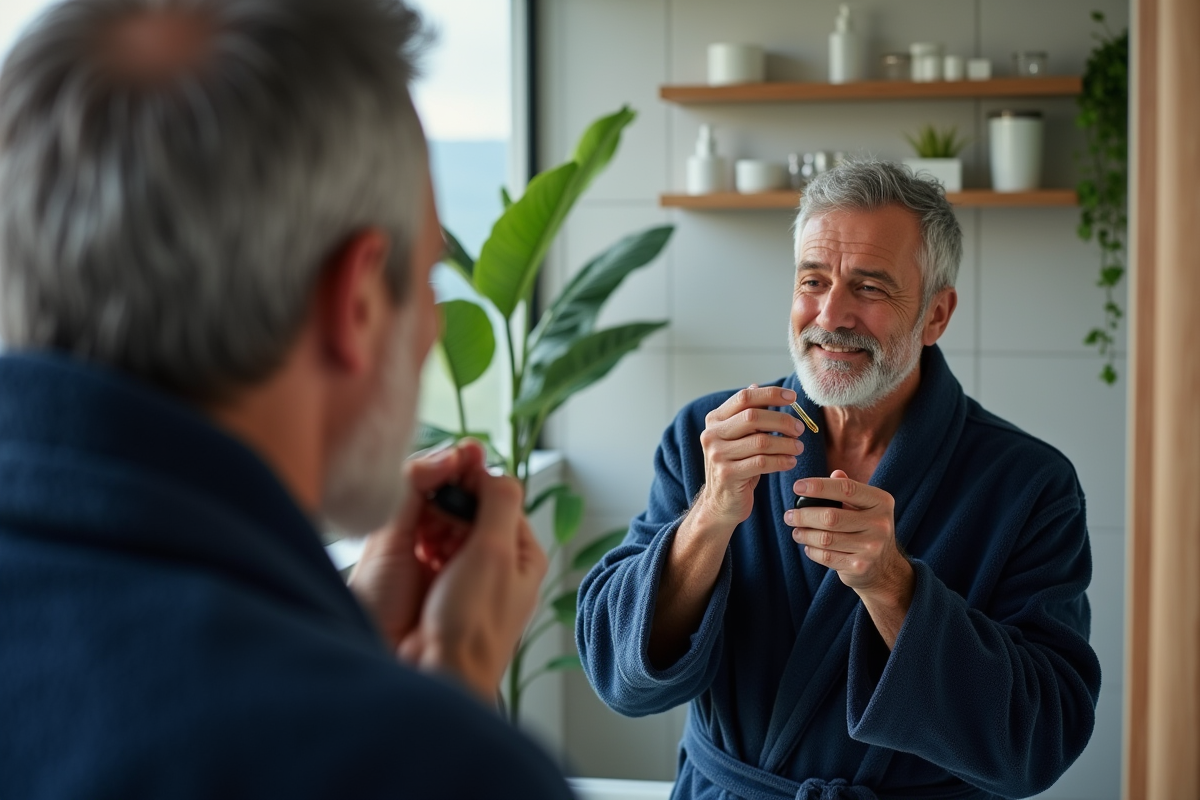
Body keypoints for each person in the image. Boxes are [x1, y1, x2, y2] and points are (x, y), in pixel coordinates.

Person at [0, 1, 573, 798]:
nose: (431, 331)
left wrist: (345, 652)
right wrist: (433, 725)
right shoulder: (414, 764)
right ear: (363, 302)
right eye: (430, 284)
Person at [576, 161, 1101, 800]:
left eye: (870, 288)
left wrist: (893, 587)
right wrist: (709, 516)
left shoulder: (1029, 486)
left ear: (936, 314)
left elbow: (1039, 742)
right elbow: (614, 674)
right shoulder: (707, 438)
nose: (832, 314)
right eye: (813, 280)